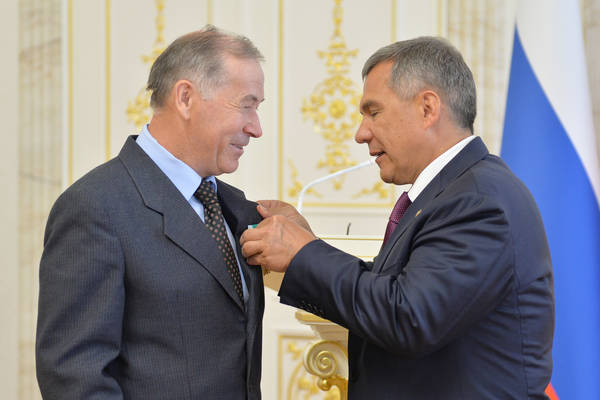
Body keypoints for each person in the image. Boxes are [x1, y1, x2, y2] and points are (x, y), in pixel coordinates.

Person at [241, 37, 554, 399]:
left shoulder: (478, 201)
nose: (361, 133)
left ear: (427, 108)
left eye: (373, 112)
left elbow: (409, 317)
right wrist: (307, 246)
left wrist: (304, 253)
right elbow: (393, 291)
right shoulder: (455, 192)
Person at [36, 25, 266, 399]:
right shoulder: (94, 207)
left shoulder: (232, 205)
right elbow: (75, 378)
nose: (256, 128)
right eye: (246, 105)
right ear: (186, 98)